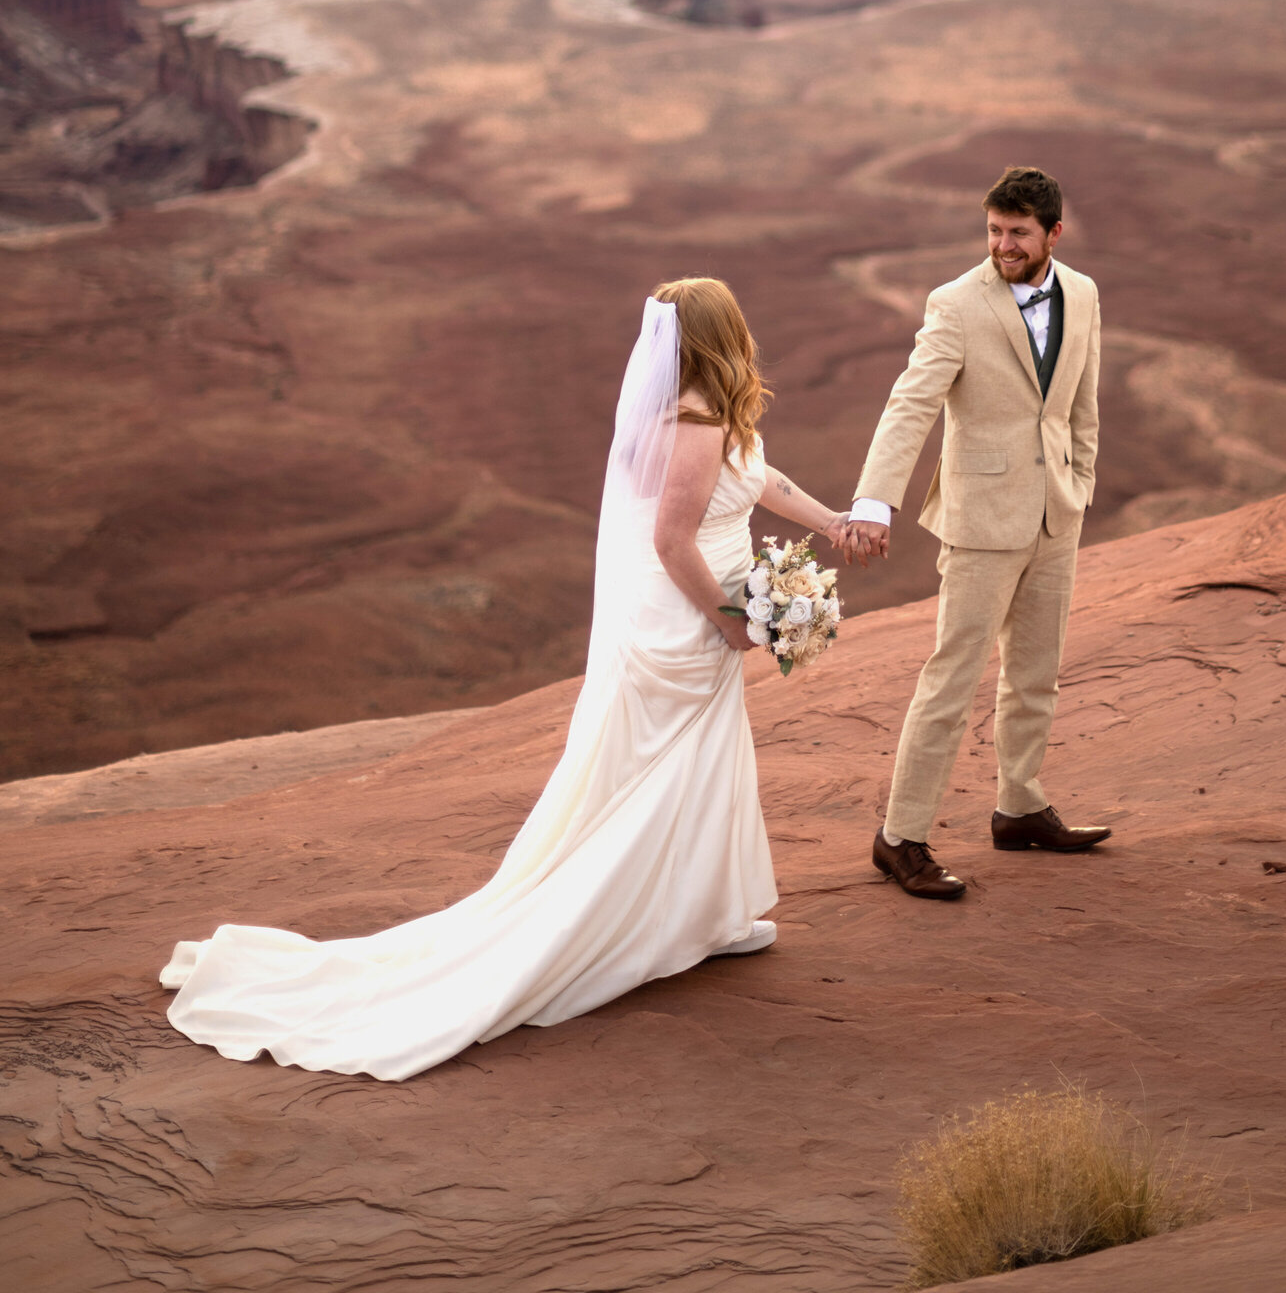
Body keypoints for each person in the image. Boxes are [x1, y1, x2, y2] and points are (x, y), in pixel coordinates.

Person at [160, 278, 852, 1079]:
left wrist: (831, 521)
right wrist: (731, 621)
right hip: (686, 620)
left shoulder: (707, 414)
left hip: (689, 617)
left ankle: (704, 915)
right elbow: (670, 538)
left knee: (697, 762)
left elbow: (761, 480)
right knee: (663, 773)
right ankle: (663, 924)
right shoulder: (693, 421)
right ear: (724, 332)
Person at [839, 166, 1110, 899]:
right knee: (951, 679)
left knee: (1036, 673)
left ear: (1054, 232)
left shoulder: (1081, 294)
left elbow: (1081, 404)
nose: (1003, 245)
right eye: (994, 231)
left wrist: (1078, 484)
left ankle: (1019, 806)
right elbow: (911, 402)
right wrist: (874, 499)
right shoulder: (956, 305)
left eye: (1018, 233)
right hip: (981, 522)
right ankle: (900, 837)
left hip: (1055, 514)